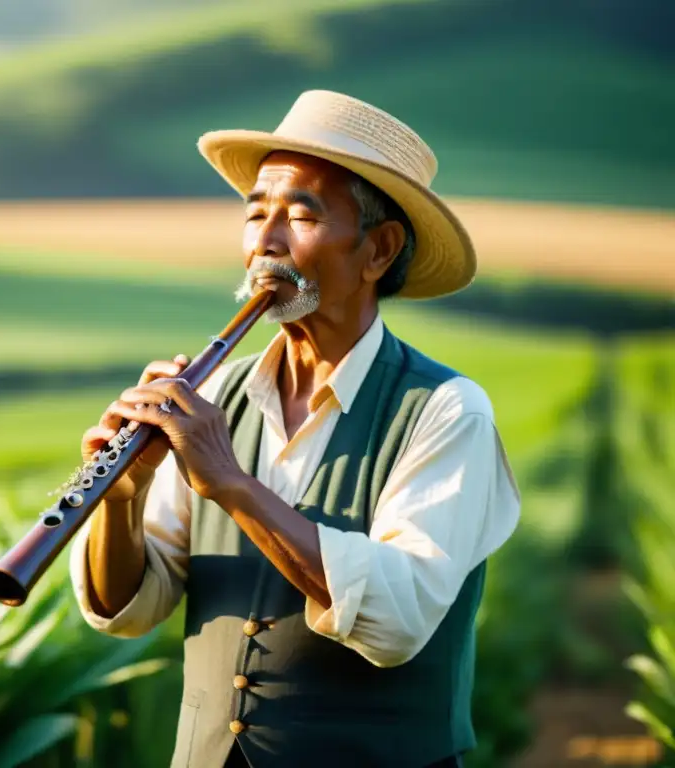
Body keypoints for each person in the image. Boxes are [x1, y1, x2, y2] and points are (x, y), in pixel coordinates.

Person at [68, 90, 521, 767]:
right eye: (255, 214)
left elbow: (395, 619)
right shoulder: (216, 391)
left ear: (379, 250)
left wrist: (230, 482)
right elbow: (130, 609)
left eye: (300, 215)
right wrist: (122, 497)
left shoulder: (447, 412)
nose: (265, 242)